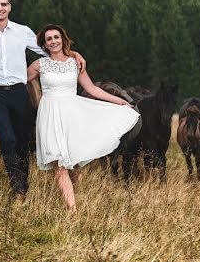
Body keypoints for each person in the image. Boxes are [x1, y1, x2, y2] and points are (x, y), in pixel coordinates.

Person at [0, 0, 86, 203]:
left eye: (4, 4)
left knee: (22, 140)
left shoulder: (22, 32)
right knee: (7, 138)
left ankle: (24, 182)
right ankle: (18, 189)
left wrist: (73, 54)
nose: (0, 8)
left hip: (19, 92)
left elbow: (48, 49)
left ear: (9, 7)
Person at [27, 24, 140, 211]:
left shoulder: (75, 63)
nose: (53, 41)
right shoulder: (39, 65)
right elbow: (16, 80)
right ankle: (73, 210)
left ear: (63, 39)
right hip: (50, 116)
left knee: (74, 162)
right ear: (44, 45)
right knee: (59, 165)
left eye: (56, 37)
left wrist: (118, 101)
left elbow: (92, 88)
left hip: (73, 114)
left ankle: (72, 193)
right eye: (49, 39)